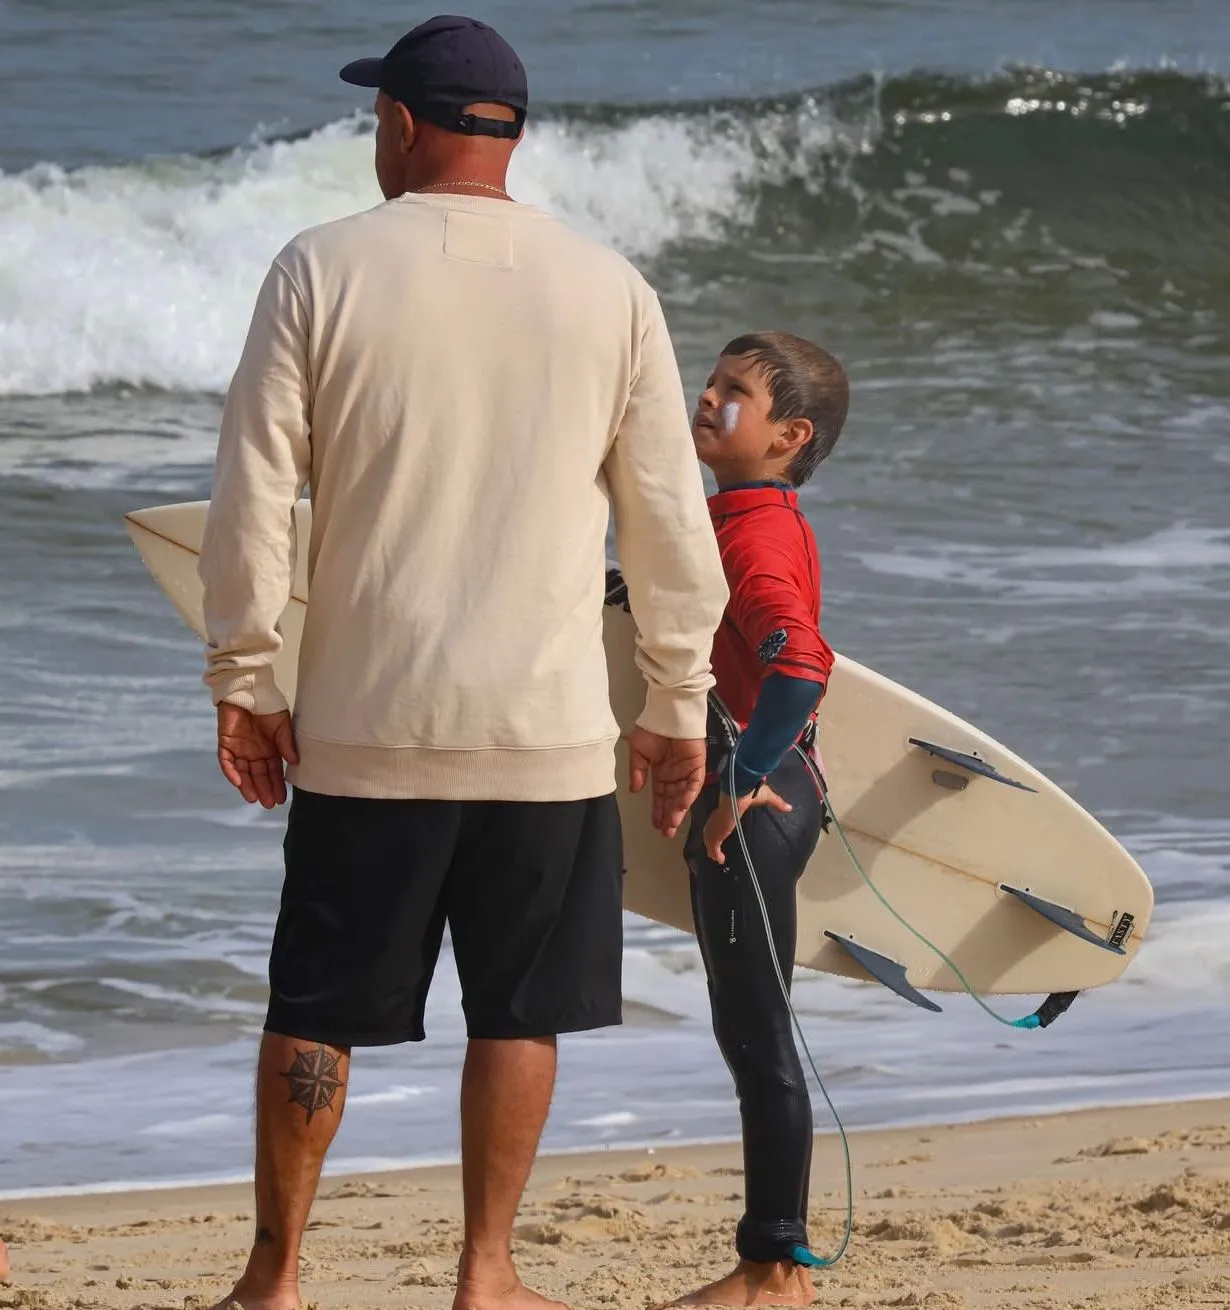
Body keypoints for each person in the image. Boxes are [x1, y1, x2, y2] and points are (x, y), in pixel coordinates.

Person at [196, 16, 729, 1310]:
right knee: (519, 1007)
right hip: (543, 733)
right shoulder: (608, 288)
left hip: (368, 726)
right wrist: (674, 701)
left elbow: (253, 494)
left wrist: (247, 675)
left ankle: (276, 1275)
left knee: (317, 1000)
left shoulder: (319, 269)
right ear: (511, 133)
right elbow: (668, 519)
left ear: (399, 124)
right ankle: (488, 1273)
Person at [673, 331, 849, 1308]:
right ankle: (769, 1263)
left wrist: (737, 775)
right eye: (708, 381)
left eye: (732, 391)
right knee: (750, 1032)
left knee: (757, 1038)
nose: (706, 398)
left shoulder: (753, 532)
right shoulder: (740, 513)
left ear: (788, 435)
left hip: (759, 801)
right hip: (770, 788)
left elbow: (799, 663)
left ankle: (772, 1270)